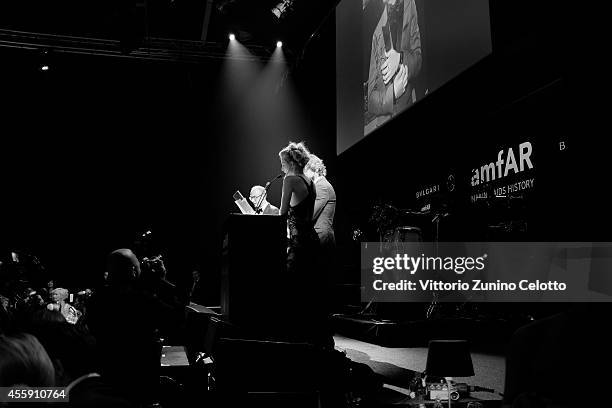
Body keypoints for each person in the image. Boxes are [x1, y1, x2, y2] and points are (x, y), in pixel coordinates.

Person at [365, 0, 422, 129]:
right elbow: (371, 102)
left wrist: (400, 58)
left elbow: (418, 61)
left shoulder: (410, 5)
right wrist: (393, 93)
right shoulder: (375, 30)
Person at [304, 155, 336, 252]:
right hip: (318, 235)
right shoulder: (317, 186)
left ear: (316, 169)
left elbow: (311, 215)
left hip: (321, 237)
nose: (303, 173)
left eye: (305, 169)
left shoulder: (321, 186)